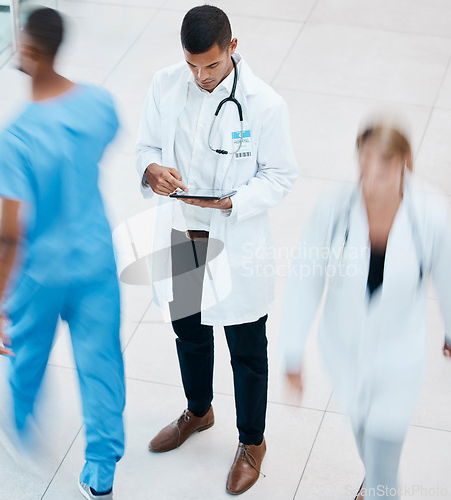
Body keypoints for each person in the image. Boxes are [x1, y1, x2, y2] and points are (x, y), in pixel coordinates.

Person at [135, 5, 297, 495]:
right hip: (183, 233)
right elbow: (145, 148)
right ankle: (199, 411)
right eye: (192, 66)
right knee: (189, 333)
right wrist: (152, 171)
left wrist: (234, 201)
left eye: (210, 65)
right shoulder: (165, 85)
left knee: (247, 350)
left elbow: (281, 176)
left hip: (235, 239)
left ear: (232, 47)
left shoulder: (264, 104)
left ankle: (252, 442)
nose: (201, 77)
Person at [279, 119, 451, 499]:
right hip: (343, 347)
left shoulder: (429, 213)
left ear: (404, 165)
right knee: (364, 431)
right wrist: (292, 351)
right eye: (364, 166)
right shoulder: (334, 208)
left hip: (399, 356)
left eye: (382, 171)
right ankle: (375, 481)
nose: (370, 181)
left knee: (383, 464)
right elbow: (306, 278)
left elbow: (449, 273)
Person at [0, 8, 125, 500]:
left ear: (26, 51)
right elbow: (102, 143)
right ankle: (101, 470)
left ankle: (22, 423)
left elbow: (8, 237)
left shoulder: (16, 137)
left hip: (41, 271)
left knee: (27, 355)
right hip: (95, 260)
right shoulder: (100, 105)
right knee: (101, 363)